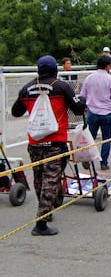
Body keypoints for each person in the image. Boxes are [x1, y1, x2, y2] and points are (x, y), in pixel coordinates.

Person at [11, 55, 86, 235]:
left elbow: (15, 111)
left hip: (34, 142)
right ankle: (41, 224)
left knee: (39, 178)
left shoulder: (27, 88)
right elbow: (77, 108)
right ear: (55, 70)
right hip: (55, 141)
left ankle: (45, 212)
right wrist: (82, 101)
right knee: (51, 179)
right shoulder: (60, 86)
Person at [80, 55, 111, 170]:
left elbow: (83, 96)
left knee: (90, 138)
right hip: (107, 112)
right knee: (106, 139)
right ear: (108, 66)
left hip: (92, 112)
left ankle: (87, 158)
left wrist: (84, 109)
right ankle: (103, 162)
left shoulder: (89, 78)